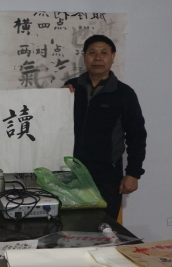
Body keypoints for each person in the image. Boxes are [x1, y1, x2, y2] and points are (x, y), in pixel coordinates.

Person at [63, 35, 147, 219]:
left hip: (107, 178)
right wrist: (58, 98)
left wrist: (133, 173)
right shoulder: (70, 89)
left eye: (104, 53)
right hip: (69, 175)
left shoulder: (124, 94)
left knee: (104, 228)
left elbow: (137, 135)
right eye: (92, 52)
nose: (97, 58)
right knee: (68, 228)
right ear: (84, 56)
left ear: (113, 56)